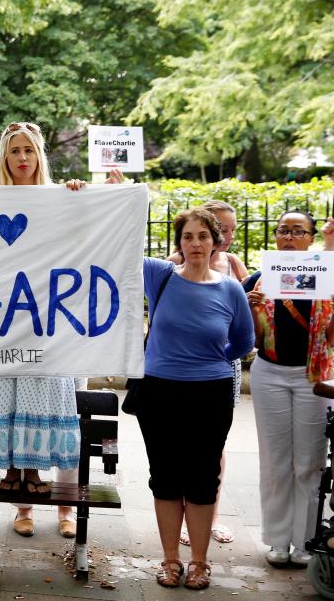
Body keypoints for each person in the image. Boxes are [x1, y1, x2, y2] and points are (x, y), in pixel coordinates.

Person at [0, 122, 96, 540]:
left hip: (46, 324)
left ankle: (64, 507)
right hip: (1, 325)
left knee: (50, 401)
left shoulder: (59, 198)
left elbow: (87, 237)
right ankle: (21, 501)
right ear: (4, 157)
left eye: (29, 150)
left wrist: (88, 196)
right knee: (7, 395)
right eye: (15, 150)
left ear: (40, 156)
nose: (23, 157)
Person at [137, 207, 254, 589]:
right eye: (188, 237)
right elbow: (118, 244)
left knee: (203, 479)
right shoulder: (160, 276)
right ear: (179, 243)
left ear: (215, 241)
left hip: (210, 394)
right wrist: (111, 188)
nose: (196, 244)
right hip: (160, 392)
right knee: (166, 477)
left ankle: (199, 563)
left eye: (203, 236)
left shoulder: (230, 287)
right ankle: (170, 560)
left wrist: (214, 359)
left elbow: (243, 340)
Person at [244, 210, 334, 568]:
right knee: (276, 459)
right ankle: (278, 539)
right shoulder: (258, 280)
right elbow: (247, 338)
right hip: (269, 373)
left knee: (310, 463)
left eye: (299, 231)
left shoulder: (327, 279)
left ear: (310, 238)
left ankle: (305, 540)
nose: (290, 237)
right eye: (284, 230)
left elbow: (330, 338)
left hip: (312, 376)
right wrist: (249, 307)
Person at [167, 199, 249, 546]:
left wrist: (220, 355)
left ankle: (210, 518)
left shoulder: (232, 265)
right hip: (179, 369)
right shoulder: (171, 267)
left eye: (229, 230)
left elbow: (245, 324)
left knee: (214, 449)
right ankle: (183, 526)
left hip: (220, 366)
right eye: (222, 229)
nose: (226, 236)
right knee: (179, 451)